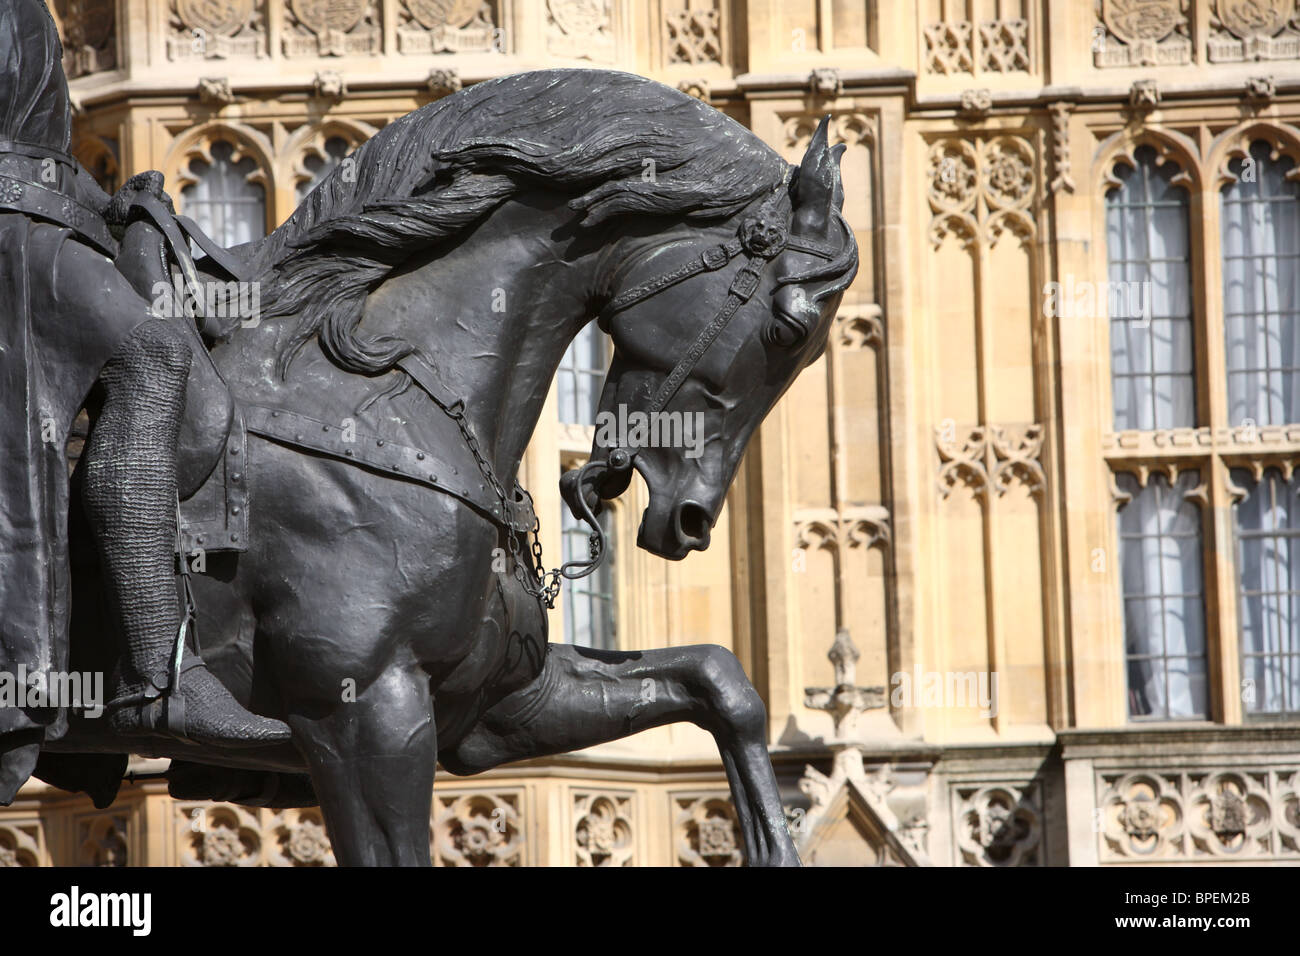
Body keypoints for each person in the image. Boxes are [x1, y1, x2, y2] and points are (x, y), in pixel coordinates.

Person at [0, 0, 288, 805]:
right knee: (151, 356)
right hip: (14, 228)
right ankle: (159, 673)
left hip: (46, 215)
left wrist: (106, 204)